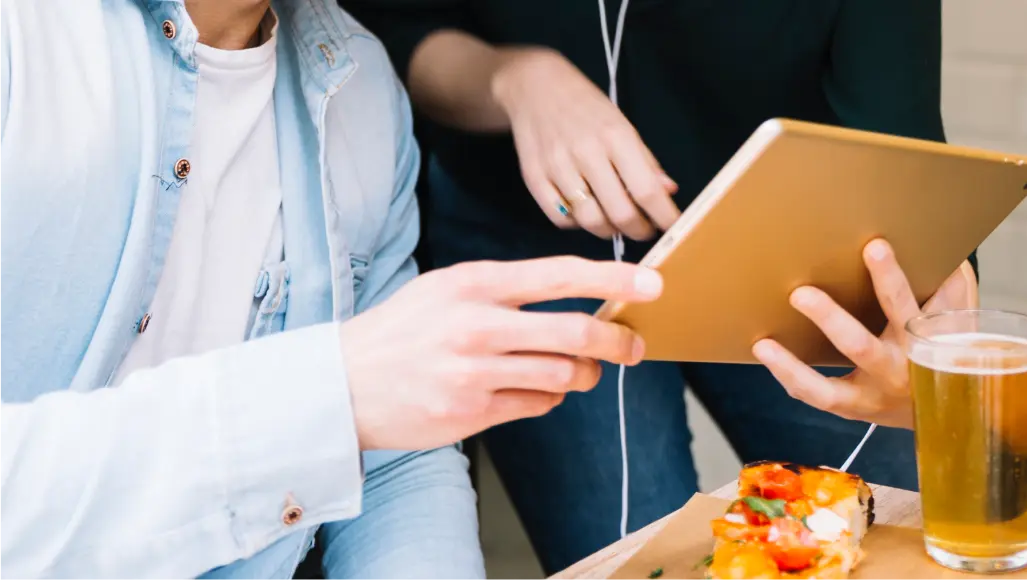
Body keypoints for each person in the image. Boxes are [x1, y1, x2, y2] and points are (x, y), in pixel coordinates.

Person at [0, 0, 666, 578]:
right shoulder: (24, 39)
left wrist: (353, 405)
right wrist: (328, 397)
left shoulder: (363, 83)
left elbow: (396, 469)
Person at [343, 0, 978, 574]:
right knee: (633, 551)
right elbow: (397, 29)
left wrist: (935, 330)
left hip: (785, 242)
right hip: (537, 238)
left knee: (901, 523)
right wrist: (515, 77)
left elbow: (901, 142)